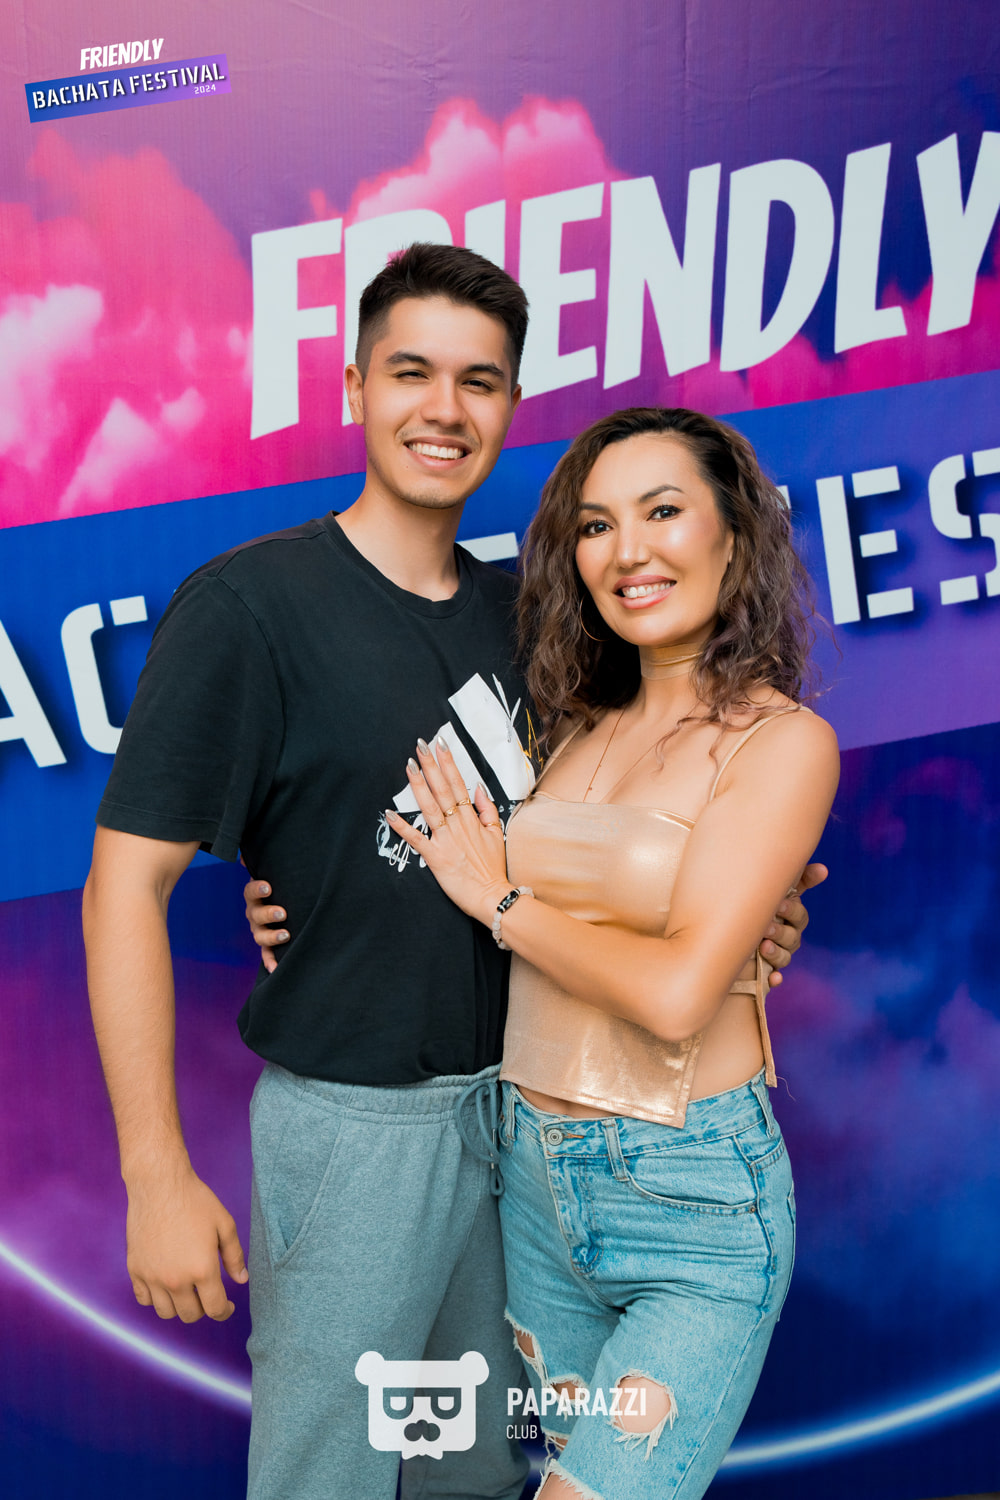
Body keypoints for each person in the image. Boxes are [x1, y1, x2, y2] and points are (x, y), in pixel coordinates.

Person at [84, 241, 817, 1500]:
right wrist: (155, 1171)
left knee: (469, 1475)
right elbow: (123, 890)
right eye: (411, 372)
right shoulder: (248, 609)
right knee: (329, 1473)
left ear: (511, 406)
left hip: (527, 1134)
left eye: (479, 381)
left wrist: (752, 912)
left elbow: (659, 809)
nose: (444, 408)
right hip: (361, 1126)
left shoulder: (539, 623)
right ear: (353, 386)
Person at [368, 406, 840, 1499]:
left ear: (735, 533)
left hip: (689, 1196)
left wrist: (499, 899)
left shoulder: (781, 742)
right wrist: (283, 913)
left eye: (662, 511)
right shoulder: (568, 727)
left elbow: (676, 994)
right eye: (595, 525)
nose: (628, 551)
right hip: (533, 1187)